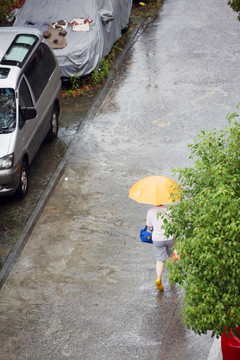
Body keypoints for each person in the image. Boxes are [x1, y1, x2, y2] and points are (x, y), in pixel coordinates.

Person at [146, 204, 174, 291]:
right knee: (170, 256)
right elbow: (174, 223)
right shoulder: (169, 210)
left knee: (160, 259)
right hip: (170, 237)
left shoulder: (151, 211)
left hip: (157, 238)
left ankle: (158, 278)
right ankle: (172, 275)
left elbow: (149, 226)